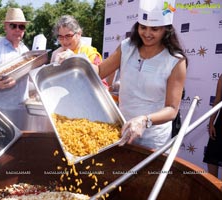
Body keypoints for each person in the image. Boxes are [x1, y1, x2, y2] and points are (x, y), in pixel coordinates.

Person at [95, 0, 187, 149]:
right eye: (143, 27)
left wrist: (145, 120)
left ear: (166, 29)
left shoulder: (175, 61)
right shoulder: (127, 47)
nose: (147, 33)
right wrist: (76, 61)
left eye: (154, 29)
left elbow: (171, 109)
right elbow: (99, 71)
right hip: (123, 129)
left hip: (154, 138)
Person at [0, 8, 30, 130]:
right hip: (1, 111)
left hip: (22, 110)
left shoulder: (26, 51)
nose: (17, 30)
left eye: (21, 27)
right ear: (5, 27)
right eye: (13, 26)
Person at [50, 15, 109, 87]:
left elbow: (103, 86)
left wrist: (76, 60)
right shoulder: (56, 54)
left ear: (78, 34)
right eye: (61, 37)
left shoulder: (90, 54)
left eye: (68, 36)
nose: (64, 41)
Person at [203, 75, 222, 178]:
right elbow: (217, 100)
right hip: (220, 124)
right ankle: (213, 190)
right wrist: (211, 123)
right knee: (212, 158)